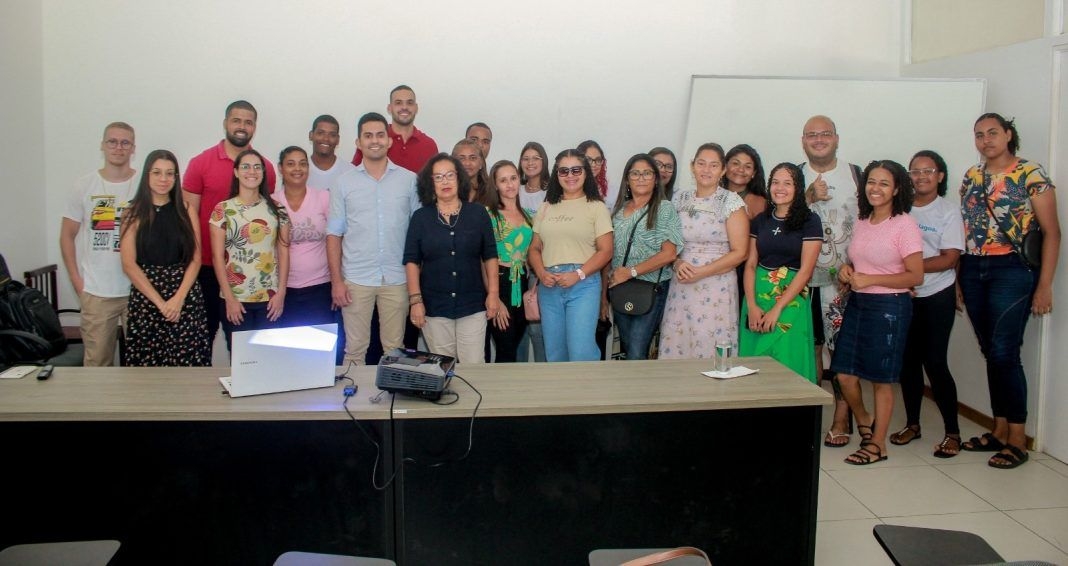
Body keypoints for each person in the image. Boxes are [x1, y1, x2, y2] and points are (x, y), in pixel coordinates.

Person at [958, 113, 1060, 469]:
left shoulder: (1031, 174)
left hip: (1012, 269)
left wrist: (1044, 285)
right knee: (991, 351)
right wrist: (959, 279)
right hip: (973, 267)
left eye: (992, 133)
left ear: (1008, 135)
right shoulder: (972, 176)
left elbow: (1052, 232)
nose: (985, 140)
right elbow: (966, 231)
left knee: (1004, 353)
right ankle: (999, 429)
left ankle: (1018, 437)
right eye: (979, 135)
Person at [831, 160, 924, 465]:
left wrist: (871, 279)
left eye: (884, 183)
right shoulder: (862, 220)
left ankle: (878, 445)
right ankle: (864, 418)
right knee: (844, 375)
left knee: (882, 381)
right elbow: (858, 263)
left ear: (897, 189)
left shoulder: (904, 224)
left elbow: (915, 276)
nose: (876, 188)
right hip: (859, 303)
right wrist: (847, 270)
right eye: (871, 181)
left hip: (890, 307)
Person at [184, 100, 277, 357]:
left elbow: (268, 218)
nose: (242, 126)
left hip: (250, 276)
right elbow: (187, 218)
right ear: (226, 123)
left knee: (248, 350)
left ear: (255, 127)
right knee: (202, 339)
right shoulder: (200, 164)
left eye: (248, 122)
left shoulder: (265, 167)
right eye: (236, 120)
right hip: (205, 270)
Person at [889, 150, 965, 457]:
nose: (921, 176)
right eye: (915, 171)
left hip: (937, 294)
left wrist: (912, 270)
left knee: (935, 362)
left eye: (928, 171)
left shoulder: (947, 211)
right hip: (905, 296)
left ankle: (953, 433)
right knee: (908, 363)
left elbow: (950, 257)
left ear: (940, 176)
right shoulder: (900, 210)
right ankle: (912, 424)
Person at [328, 112, 420, 366]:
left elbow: (418, 233)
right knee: (355, 350)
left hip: (397, 278)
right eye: (368, 136)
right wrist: (337, 281)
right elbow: (334, 235)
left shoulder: (409, 181)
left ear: (389, 140)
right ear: (358, 142)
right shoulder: (343, 183)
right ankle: (353, 404)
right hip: (356, 279)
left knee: (394, 350)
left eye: (380, 135)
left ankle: (390, 403)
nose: (375, 141)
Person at [800, 114, 862, 447]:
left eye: (825, 134)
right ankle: (808, 413)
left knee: (840, 351)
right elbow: (779, 218)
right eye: (812, 134)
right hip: (800, 280)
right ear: (803, 140)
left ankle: (842, 415)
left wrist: (859, 266)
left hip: (843, 281)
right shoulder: (793, 175)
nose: (819, 139)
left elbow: (872, 221)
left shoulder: (857, 175)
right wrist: (806, 197)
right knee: (809, 349)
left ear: (837, 138)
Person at [404, 154, 499, 363]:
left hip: (473, 305)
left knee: (474, 365)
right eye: (438, 177)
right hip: (434, 307)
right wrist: (415, 300)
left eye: (449, 175)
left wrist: (493, 294)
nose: (445, 181)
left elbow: (490, 255)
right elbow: (411, 261)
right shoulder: (421, 218)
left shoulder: (478, 214)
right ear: (430, 183)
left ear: (459, 179)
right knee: (444, 368)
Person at [119, 150, 210, 366]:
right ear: (147, 175)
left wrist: (177, 299)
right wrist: (161, 303)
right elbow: (128, 264)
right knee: (148, 371)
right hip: (147, 300)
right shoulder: (131, 213)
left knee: (187, 366)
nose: (163, 179)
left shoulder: (186, 210)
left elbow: (196, 259)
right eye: (157, 172)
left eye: (170, 174)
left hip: (184, 298)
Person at [659, 143, 749, 359]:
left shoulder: (731, 202)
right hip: (681, 283)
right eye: (701, 163)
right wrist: (677, 263)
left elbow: (740, 252)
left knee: (709, 343)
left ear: (723, 171)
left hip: (716, 286)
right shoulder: (679, 198)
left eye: (713, 165)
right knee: (678, 342)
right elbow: (668, 241)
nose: (706, 170)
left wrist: (702, 272)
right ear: (692, 166)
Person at [59, 122, 138, 366]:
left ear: (133, 148)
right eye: (112, 141)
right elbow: (66, 236)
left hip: (137, 291)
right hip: (96, 292)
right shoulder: (84, 186)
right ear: (102, 145)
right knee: (97, 366)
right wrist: (77, 282)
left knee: (141, 366)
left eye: (125, 142)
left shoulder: (143, 185)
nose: (118, 147)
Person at [528, 149, 614, 362]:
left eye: (576, 170)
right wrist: (540, 272)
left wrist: (578, 274)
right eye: (563, 171)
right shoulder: (546, 207)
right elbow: (534, 248)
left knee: (581, 352)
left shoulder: (596, 207)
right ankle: (560, 396)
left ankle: (586, 396)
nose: (570, 176)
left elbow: (606, 250)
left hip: (583, 285)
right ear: (557, 175)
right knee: (554, 354)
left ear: (586, 173)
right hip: (549, 286)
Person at [738, 163, 821, 382]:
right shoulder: (760, 221)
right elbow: (750, 265)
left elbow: (806, 271)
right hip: (757, 293)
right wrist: (752, 305)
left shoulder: (810, 222)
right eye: (775, 182)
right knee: (753, 366)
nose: (780, 188)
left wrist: (777, 309)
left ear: (798, 188)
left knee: (786, 359)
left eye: (788, 183)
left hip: (790, 298)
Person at [209, 149, 291, 350]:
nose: (251, 171)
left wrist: (281, 293)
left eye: (257, 167)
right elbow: (217, 257)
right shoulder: (222, 210)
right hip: (236, 299)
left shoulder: (277, 210)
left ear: (263, 172)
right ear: (236, 172)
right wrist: (229, 298)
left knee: (269, 358)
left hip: (269, 300)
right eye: (245, 166)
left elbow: (284, 252)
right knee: (242, 361)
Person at [605, 154, 683, 360]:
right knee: (628, 347)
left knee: (637, 351)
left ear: (656, 179)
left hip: (649, 288)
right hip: (620, 288)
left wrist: (630, 272)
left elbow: (669, 253)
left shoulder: (665, 209)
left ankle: (637, 391)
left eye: (647, 173)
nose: (641, 178)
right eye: (635, 173)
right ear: (627, 179)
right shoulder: (619, 211)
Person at [480, 160, 534, 363]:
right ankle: (499, 393)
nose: (510, 184)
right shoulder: (489, 215)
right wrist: (494, 298)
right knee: (505, 349)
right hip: (498, 283)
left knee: (515, 344)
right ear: (495, 185)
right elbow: (482, 260)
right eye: (503, 180)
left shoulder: (527, 216)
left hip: (520, 281)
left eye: (513, 178)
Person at [273, 146, 333, 328]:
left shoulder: (324, 198)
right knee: (286, 349)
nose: (297, 169)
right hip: (282, 290)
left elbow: (337, 241)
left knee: (320, 347)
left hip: (320, 287)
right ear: (280, 168)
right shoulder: (271, 202)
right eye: (290, 164)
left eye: (302, 164)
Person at [351, 85, 439, 174]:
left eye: (409, 103)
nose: (404, 107)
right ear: (389, 108)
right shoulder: (375, 142)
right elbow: (354, 176)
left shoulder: (429, 145)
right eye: (398, 103)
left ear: (416, 108)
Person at [516, 141, 550, 362]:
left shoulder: (551, 194)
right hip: (514, 270)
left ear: (543, 161)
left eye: (535, 158)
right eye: (526, 158)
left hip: (539, 270)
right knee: (517, 328)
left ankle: (541, 377)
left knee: (537, 329)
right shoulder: (514, 190)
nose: (530, 162)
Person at [307, 114, 356, 192]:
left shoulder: (350, 171)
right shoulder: (299, 171)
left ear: (338, 140)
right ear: (311, 135)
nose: (326, 138)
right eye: (320, 133)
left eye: (332, 135)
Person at [722, 144, 768, 219]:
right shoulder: (712, 194)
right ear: (725, 166)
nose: (741, 170)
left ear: (753, 173)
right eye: (735, 163)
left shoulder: (759, 203)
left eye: (747, 166)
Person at [578, 140, 618, 209]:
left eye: (598, 160)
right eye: (588, 160)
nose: (594, 164)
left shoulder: (611, 190)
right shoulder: (570, 187)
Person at [453, 139, 490, 204]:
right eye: (462, 158)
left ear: (481, 163)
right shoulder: (447, 191)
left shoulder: (492, 192)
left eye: (473, 158)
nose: (467, 163)